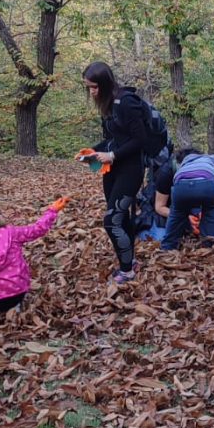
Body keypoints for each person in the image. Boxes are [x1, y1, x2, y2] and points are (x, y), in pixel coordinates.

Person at [82, 61, 148, 285]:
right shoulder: (107, 106)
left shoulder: (126, 103)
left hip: (130, 169)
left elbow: (140, 140)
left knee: (111, 221)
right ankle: (129, 260)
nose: (91, 92)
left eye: (94, 87)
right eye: (88, 88)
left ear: (105, 83)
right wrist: (94, 151)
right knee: (120, 218)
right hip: (111, 170)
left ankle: (127, 270)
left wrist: (113, 155)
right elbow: (113, 139)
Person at [0, 197, 68, 317]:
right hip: (17, 292)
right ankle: (14, 307)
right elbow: (37, 229)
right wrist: (52, 210)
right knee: (9, 290)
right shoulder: (11, 233)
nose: (2, 215)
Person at [159, 148, 214, 251]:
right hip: (207, 186)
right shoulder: (210, 158)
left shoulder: (183, 163)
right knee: (210, 213)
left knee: (176, 215)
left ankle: (166, 248)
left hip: (181, 188)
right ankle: (209, 246)